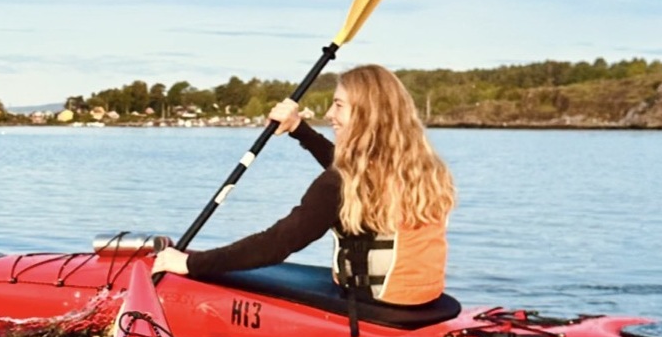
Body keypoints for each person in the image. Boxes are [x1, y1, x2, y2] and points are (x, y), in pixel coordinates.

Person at [151, 65, 455, 311]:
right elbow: (353, 174)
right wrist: (300, 130)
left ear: (365, 114)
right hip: (424, 304)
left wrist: (190, 263)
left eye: (338, 105)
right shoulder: (423, 168)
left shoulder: (340, 183)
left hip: (374, 310)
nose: (329, 115)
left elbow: (278, 243)